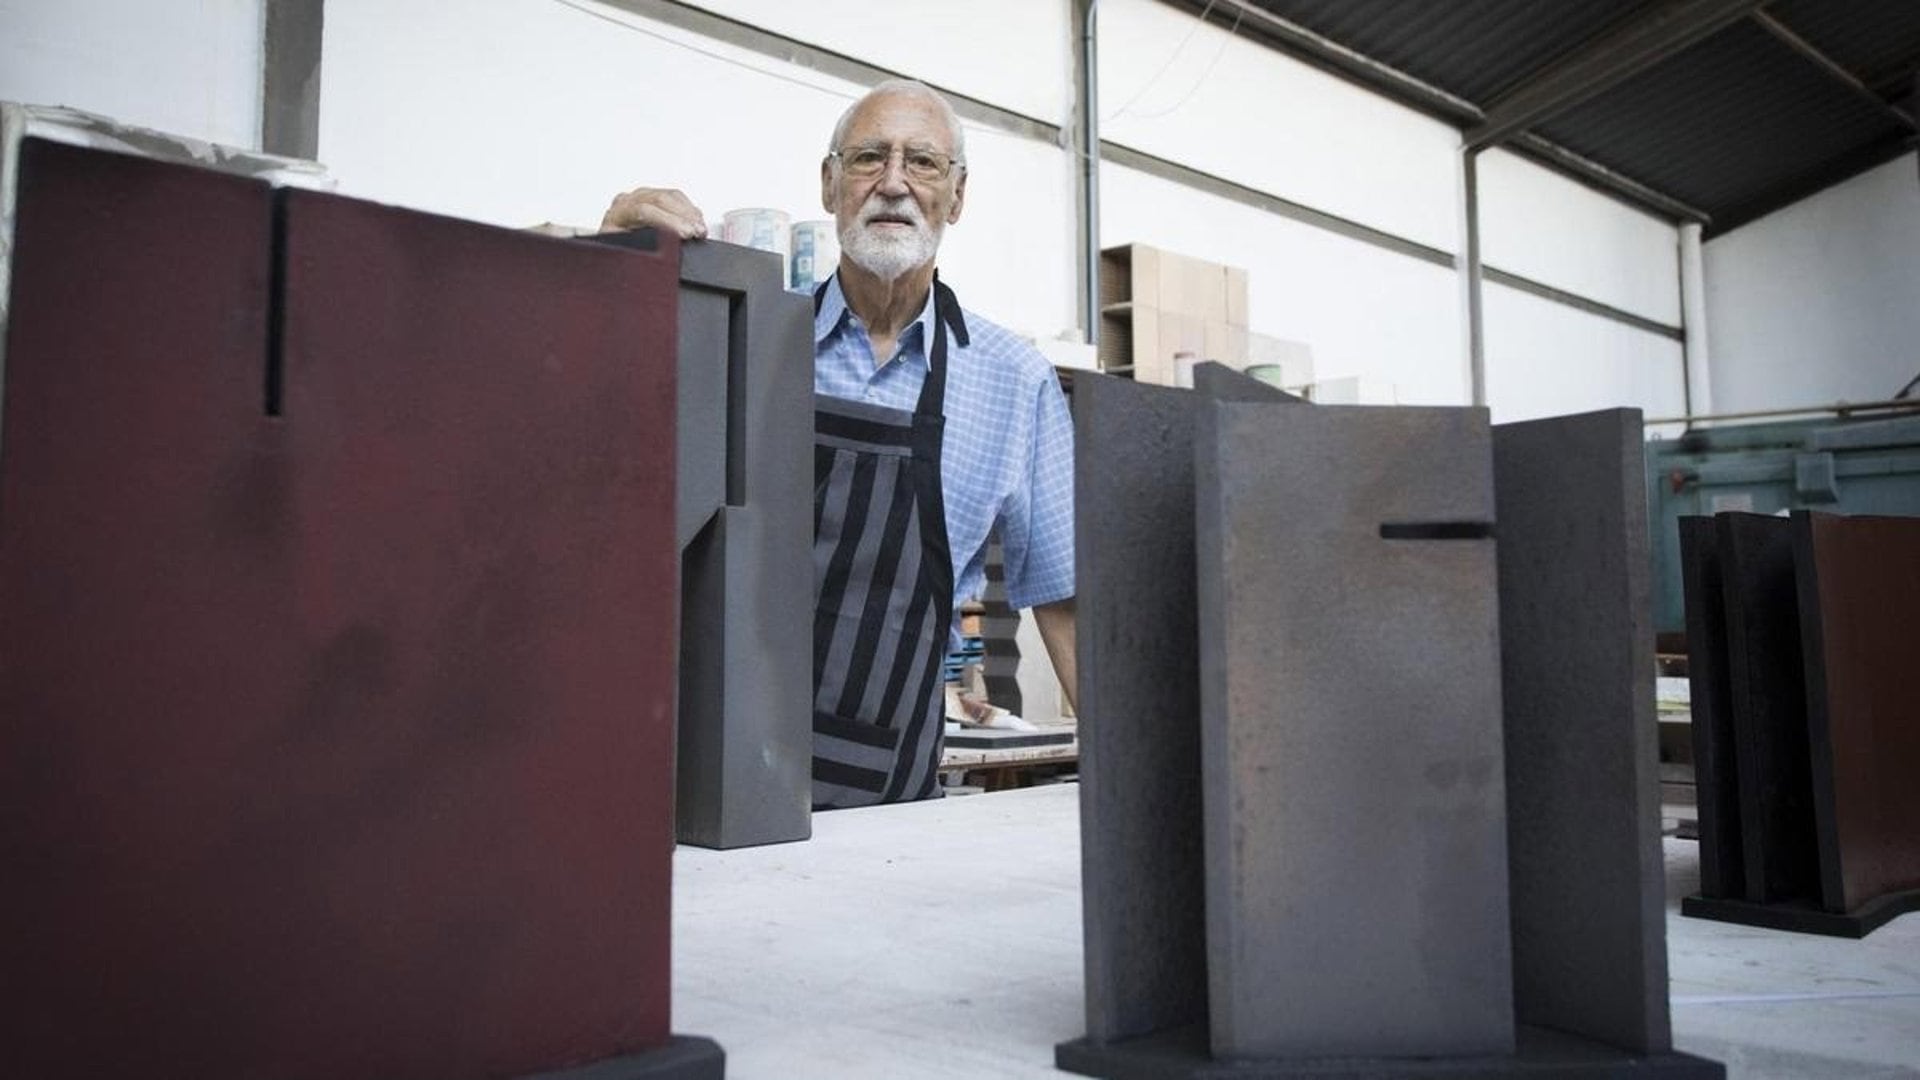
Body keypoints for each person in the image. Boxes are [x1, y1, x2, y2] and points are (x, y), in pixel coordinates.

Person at [601, 80, 1076, 810]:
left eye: (921, 162)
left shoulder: (1016, 381)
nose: (892, 183)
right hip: (706, 762)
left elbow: (1063, 600)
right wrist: (612, 260)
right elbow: (588, 439)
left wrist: (1128, 802)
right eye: (866, 159)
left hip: (889, 784)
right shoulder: (739, 336)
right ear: (829, 184)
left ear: (958, 196)